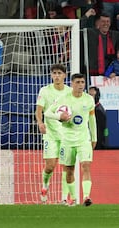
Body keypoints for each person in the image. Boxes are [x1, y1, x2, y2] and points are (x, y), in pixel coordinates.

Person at [44, 73, 97, 207]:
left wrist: (94, 137)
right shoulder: (64, 98)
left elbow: (92, 119)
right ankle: (73, 198)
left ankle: (86, 197)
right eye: (78, 82)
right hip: (67, 139)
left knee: (86, 166)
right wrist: (59, 116)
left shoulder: (89, 100)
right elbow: (48, 113)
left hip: (84, 138)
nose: (80, 85)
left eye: (82, 82)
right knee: (69, 171)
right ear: (72, 84)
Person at [35, 64, 72, 204]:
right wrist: (40, 122)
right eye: (54, 73)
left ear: (64, 75)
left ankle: (64, 197)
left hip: (66, 134)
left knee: (66, 165)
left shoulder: (69, 92)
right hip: (50, 134)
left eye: (59, 73)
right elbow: (39, 110)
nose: (57, 76)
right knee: (50, 166)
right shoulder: (45, 91)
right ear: (51, 75)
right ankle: (45, 186)